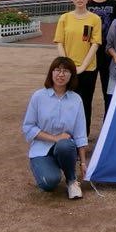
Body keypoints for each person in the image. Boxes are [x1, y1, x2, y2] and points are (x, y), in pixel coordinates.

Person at [22, 56, 88, 200]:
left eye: (66, 71)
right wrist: (55, 138)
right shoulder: (38, 96)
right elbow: (28, 127)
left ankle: (71, 180)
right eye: (57, 70)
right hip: (41, 149)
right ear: (51, 73)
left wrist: (83, 162)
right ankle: (44, 167)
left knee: (65, 145)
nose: (61, 74)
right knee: (49, 183)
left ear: (71, 75)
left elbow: (80, 134)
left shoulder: (76, 99)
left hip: (65, 148)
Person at [53, 0, 102, 137]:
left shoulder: (95, 19)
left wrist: (82, 67)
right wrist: (67, 65)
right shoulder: (65, 18)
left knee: (85, 103)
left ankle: (82, 138)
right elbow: (59, 42)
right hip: (67, 69)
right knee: (66, 102)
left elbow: (95, 44)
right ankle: (66, 137)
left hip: (88, 69)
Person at [86, 0, 116, 111]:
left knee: (109, 94)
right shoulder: (87, 5)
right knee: (86, 94)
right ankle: (84, 125)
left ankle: (108, 124)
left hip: (109, 55)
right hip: (89, 54)